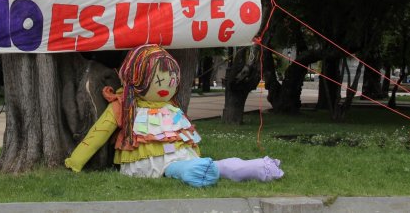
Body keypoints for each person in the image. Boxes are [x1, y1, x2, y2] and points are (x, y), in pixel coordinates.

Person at [65, 44, 283, 187]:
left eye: (170, 82)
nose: (165, 88)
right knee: (178, 168)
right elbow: (99, 133)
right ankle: (203, 170)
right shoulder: (125, 105)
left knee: (205, 166)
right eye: (158, 81)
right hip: (147, 160)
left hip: (180, 154)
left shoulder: (170, 106)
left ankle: (256, 167)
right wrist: (76, 161)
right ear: (137, 76)